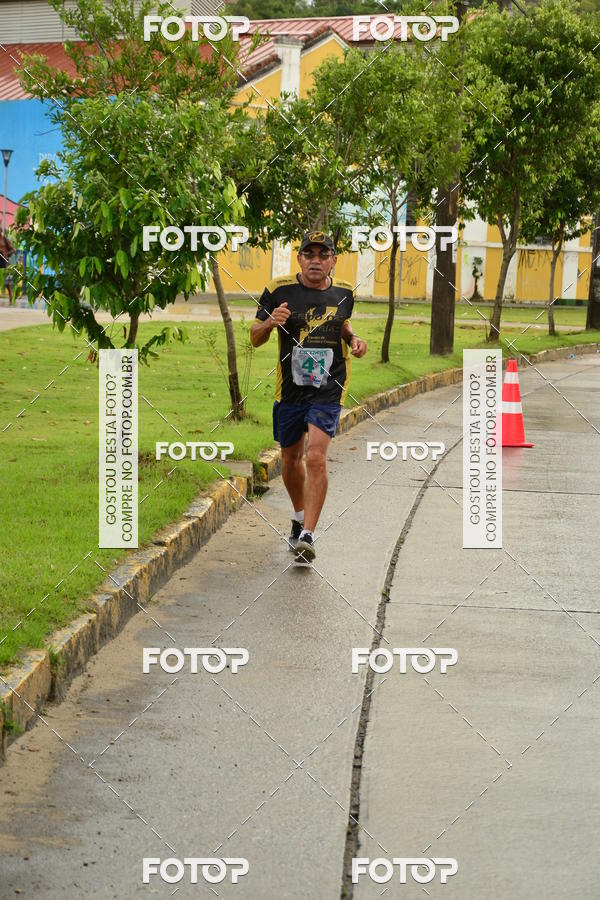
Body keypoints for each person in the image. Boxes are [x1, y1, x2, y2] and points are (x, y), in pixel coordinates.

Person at [250, 231, 367, 564]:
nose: (316, 260)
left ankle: (308, 535)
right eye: (309, 254)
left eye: (323, 254)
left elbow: (342, 324)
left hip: (329, 389)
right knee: (290, 460)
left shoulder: (345, 292)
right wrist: (271, 321)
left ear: (333, 259)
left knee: (315, 457)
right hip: (289, 390)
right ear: (299, 258)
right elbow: (255, 338)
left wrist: (355, 338)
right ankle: (300, 517)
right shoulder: (278, 290)